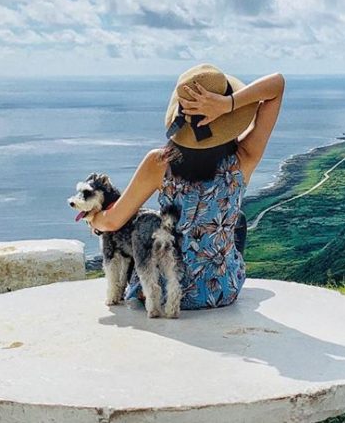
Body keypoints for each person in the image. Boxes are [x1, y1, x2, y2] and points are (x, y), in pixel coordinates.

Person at [85, 64, 284, 309]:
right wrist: (228, 104)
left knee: (146, 222)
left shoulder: (158, 163)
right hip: (221, 291)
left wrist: (94, 220)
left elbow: (113, 222)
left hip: (165, 291)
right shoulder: (244, 159)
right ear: (229, 124)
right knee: (237, 221)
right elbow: (276, 85)